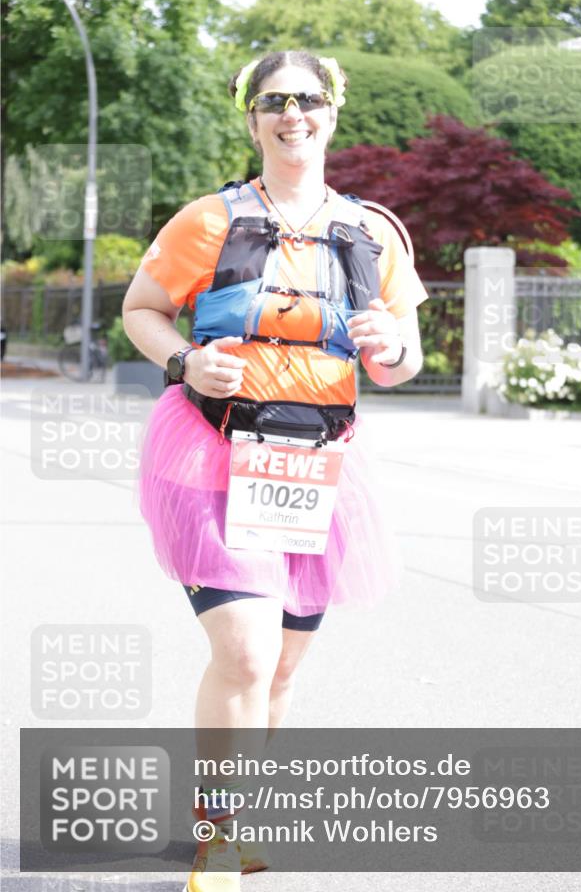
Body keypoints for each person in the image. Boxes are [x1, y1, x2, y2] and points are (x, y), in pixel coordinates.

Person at [122, 50, 428, 891]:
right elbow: (139, 310)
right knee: (248, 653)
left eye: (310, 99)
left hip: (321, 468)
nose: (293, 114)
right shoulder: (206, 221)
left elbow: (404, 362)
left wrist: (391, 347)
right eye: (273, 101)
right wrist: (185, 361)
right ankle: (215, 837)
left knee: (285, 664)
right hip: (210, 453)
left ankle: (240, 814)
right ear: (250, 117)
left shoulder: (375, 232)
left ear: (333, 112)